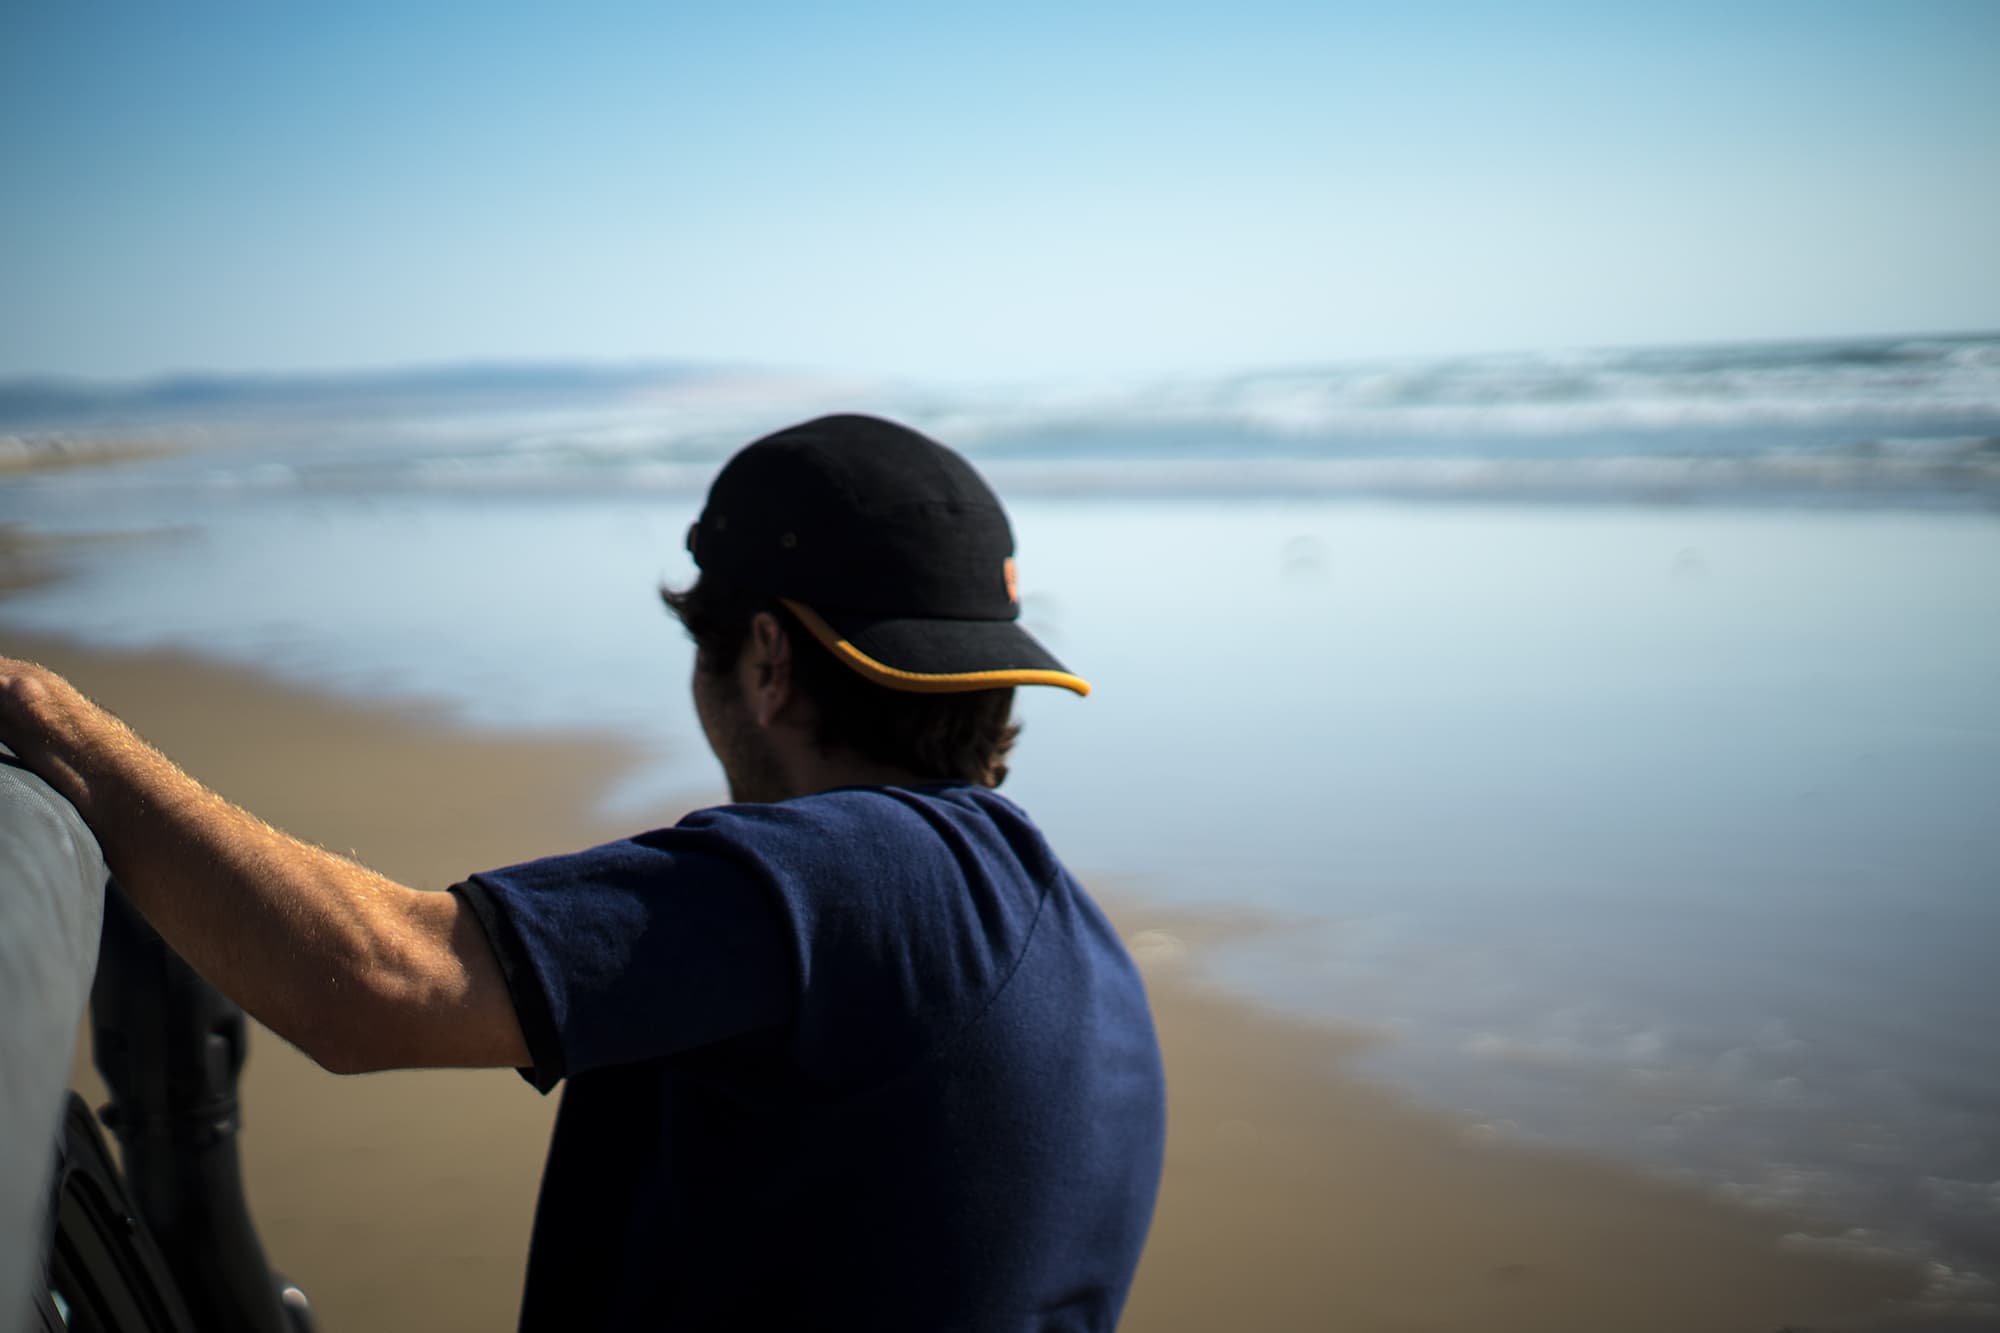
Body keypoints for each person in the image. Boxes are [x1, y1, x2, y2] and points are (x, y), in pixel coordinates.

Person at [0, 413, 1168, 1332]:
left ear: (763, 657)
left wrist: (46, 718)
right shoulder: (1080, 949)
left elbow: (379, 980)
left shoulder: (858, 874)